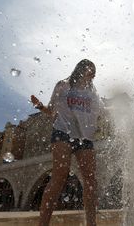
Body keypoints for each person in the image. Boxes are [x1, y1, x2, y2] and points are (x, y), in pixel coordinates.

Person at [30, 59, 99, 226]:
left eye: (94, 74)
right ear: (81, 70)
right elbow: (52, 111)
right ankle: (43, 223)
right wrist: (40, 107)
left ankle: (91, 223)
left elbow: (101, 112)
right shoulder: (63, 85)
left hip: (85, 138)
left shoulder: (92, 93)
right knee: (59, 176)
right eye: (91, 71)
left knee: (91, 180)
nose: (93, 76)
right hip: (62, 133)